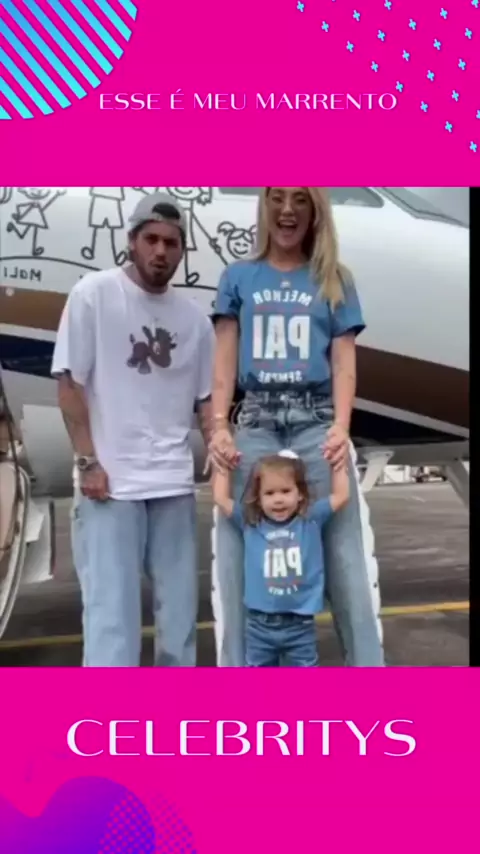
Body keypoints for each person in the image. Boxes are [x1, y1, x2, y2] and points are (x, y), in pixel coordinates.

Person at [209, 186, 384, 668]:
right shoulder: (238, 277)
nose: (288, 210)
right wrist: (219, 426)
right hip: (256, 421)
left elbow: (343, 361)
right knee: (239, 559)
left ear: (315, 211)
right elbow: (224, 360)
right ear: (265, 205)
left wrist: (341, 426)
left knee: (346, 560)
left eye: (300, 200)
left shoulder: (334, 279)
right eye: (278, 198)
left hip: (316, 421)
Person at [51, 192, 214, 667]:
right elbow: (69, 385)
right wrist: (88, 462)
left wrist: (220, 447)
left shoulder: (195, 320)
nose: (160, 251)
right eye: (151, 239)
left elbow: (205, 402)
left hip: (172, 484)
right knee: (111, 620)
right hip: (111, 485)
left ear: (182, 250)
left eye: (171, 242)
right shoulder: (94, 294)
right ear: (132, 241)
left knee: (179, 621)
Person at [213, 450, 349, 667]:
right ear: (258, 498)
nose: (278, 499)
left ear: (300, 493)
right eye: (269, 493)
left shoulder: (310, 519)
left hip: (300, 624)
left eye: (286, 491)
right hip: (259, 625)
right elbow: (221, 498)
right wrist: (223, 464)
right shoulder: (251, 522)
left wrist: (338, 463)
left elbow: (341, 495)